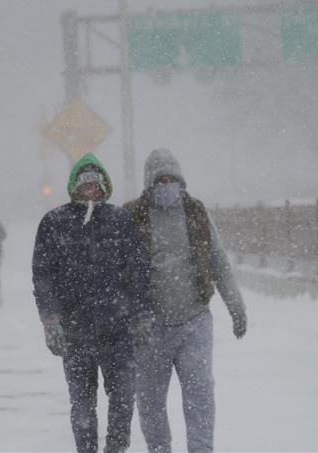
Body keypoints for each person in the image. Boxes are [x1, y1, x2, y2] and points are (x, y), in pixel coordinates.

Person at [123, 148, 248, 453]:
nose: (166, 185)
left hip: (194, 322)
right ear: (149, 184)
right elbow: (115, 271)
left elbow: (218, 261)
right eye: (159, 180)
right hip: (149, 328)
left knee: (200, 395)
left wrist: (236, 307)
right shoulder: (131, 216)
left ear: (180, 180)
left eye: (171, 179)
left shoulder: (195, 212)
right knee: (150, 401)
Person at [32, 153, 154, 453]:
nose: (91, 189)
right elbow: (43, 276)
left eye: (96, 183)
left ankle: (116, 448)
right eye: (85, 183)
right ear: (74, 186)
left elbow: (138, 272)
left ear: (105, 186)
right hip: (75, 333)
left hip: (118, 330)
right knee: (83, 406)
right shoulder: (54, 223)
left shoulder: (120, 220)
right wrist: (50, 320)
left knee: (124, 398)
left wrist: (142, 316)